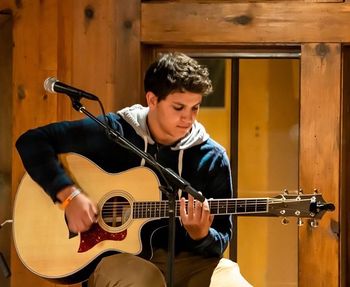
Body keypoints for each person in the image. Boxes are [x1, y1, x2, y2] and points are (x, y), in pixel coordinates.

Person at [16, 52, 251, 287]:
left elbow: (220, 239)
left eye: (195, 108)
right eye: (178, 108)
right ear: (152, 100)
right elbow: (32, 141)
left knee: (230, 280)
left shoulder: (212, 157)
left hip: (188, 262)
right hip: (122, 260)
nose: (188, 118)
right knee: (143, 281)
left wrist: (201, 234)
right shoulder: (115, 132)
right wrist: (69, 196)